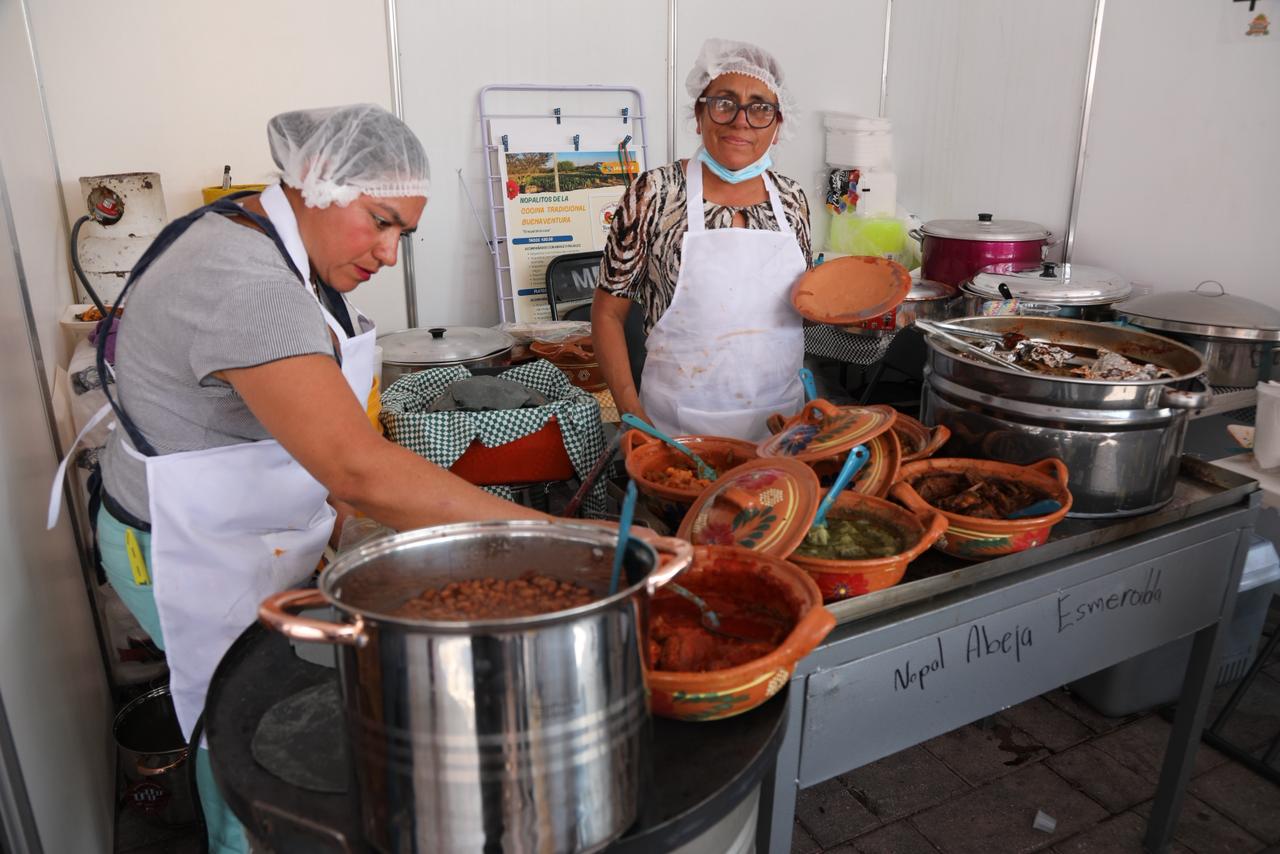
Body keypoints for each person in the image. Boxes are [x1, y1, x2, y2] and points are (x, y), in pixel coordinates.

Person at [48, 104, 546, 854]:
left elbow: (332, 452)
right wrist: (543, 539)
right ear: (317, 184)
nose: (387, 253)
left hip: (246, 531)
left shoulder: (273, 244)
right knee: (240, 732)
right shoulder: (241, 278)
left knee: (256, 712)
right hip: (185, 549)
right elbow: (353, 466)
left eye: (402, 234)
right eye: (380, 222)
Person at [592, 38, 812, 441]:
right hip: (674, 432)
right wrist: (632, 418)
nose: (741, 120)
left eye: (760, 107)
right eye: (724, 102)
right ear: (699, 113)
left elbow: (802, 306)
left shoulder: (793, 200)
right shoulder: (655, 193)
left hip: (783, 430)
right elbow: (607, 314)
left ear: (779, 126)